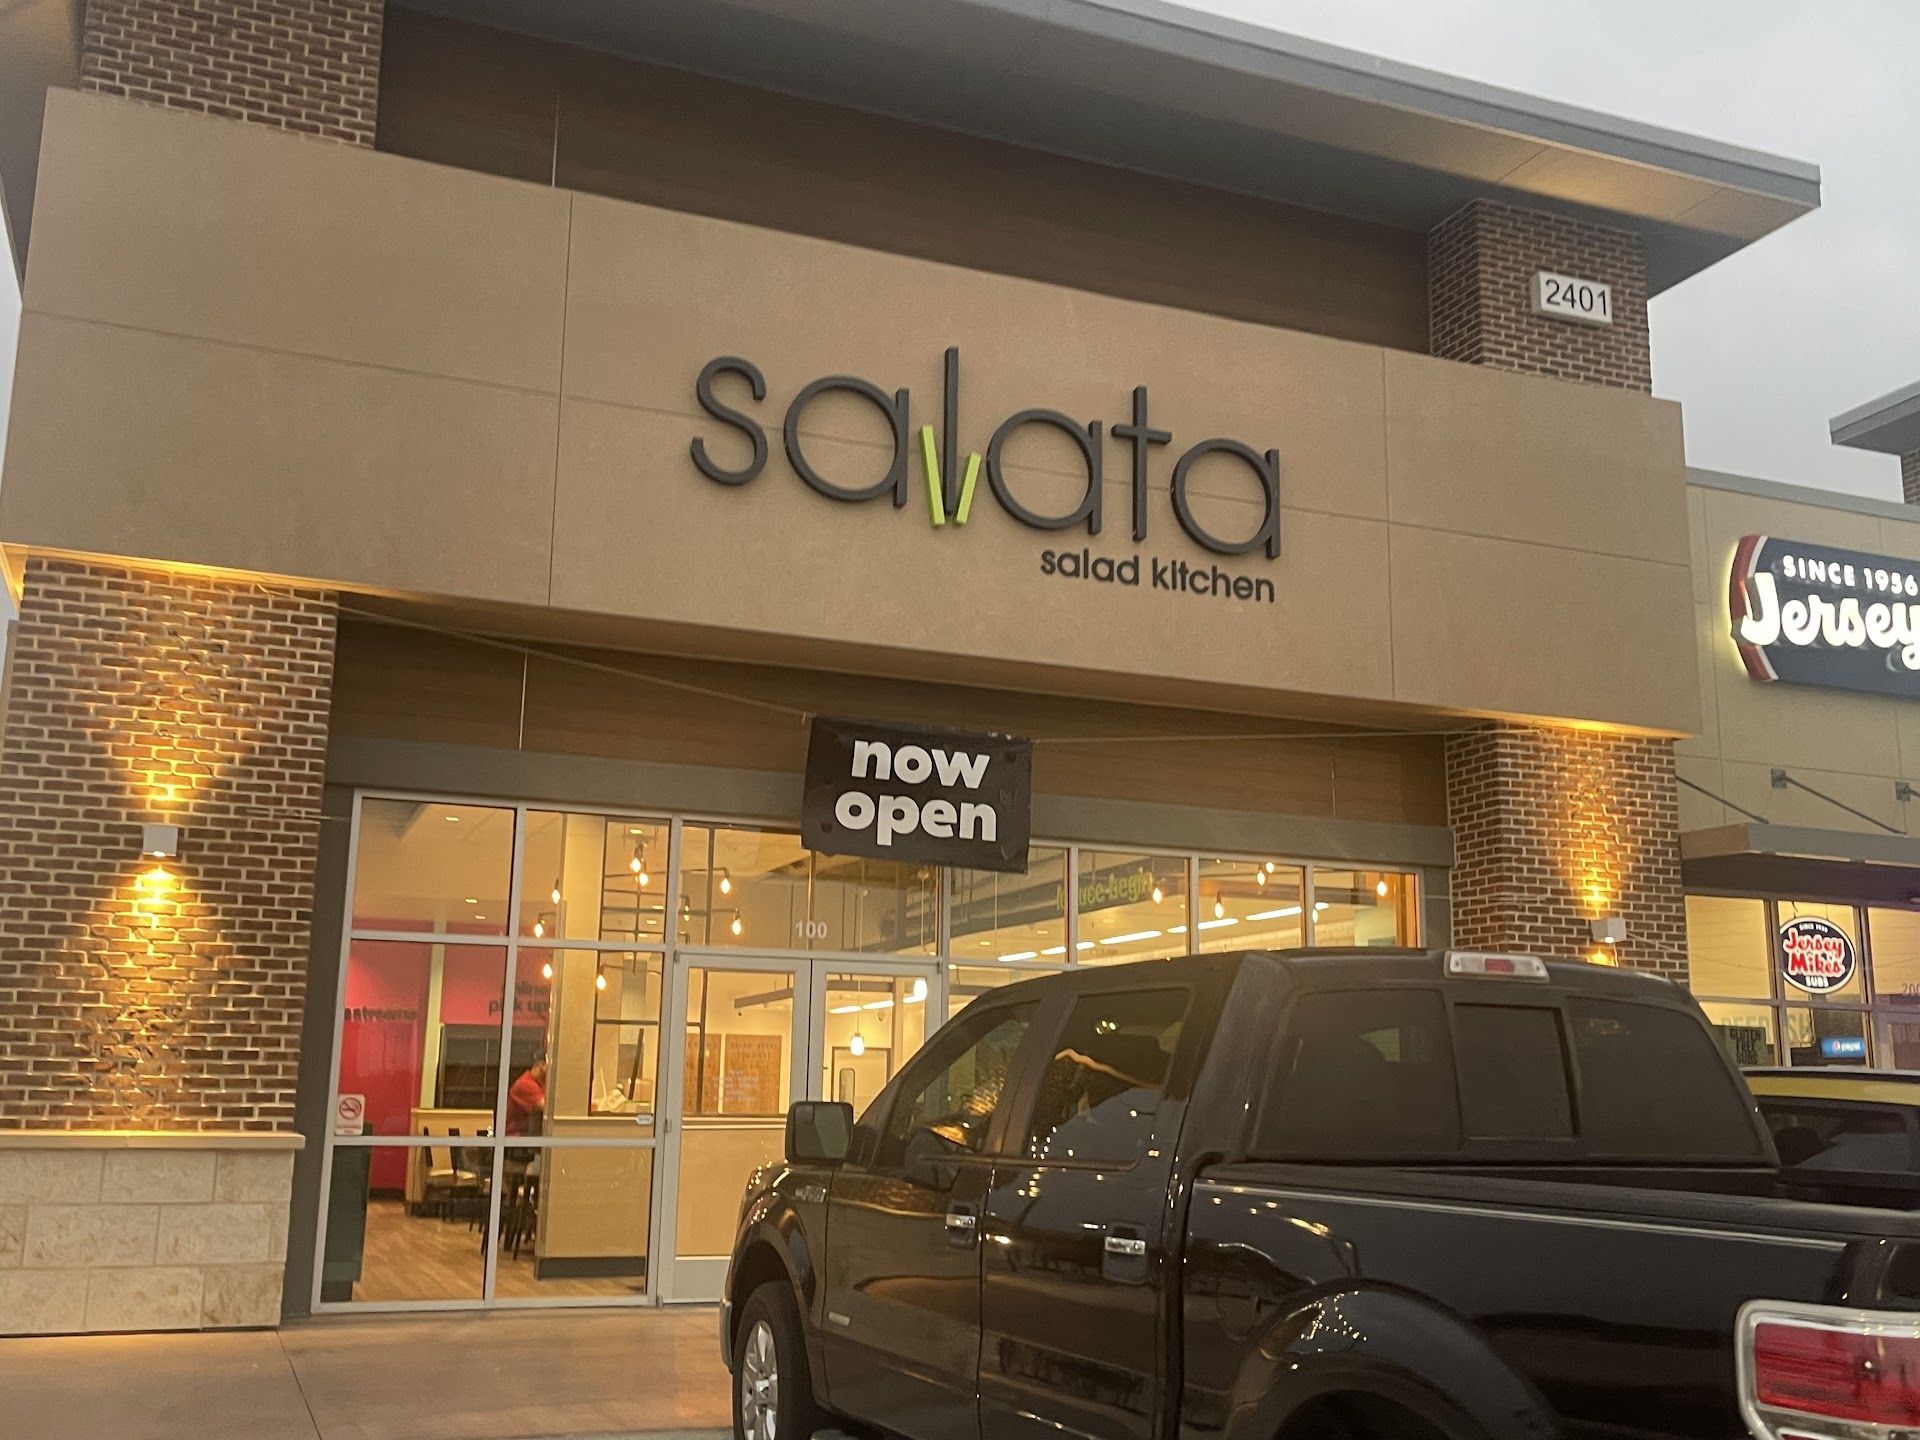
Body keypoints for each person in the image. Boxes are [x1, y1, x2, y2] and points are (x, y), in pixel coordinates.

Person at [506, 1055, 547, 1137]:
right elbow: (546, 1106)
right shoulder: (525, 1084)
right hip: (516, 1137)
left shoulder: (538, 1084)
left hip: (525, 1135)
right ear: (542, 1066)